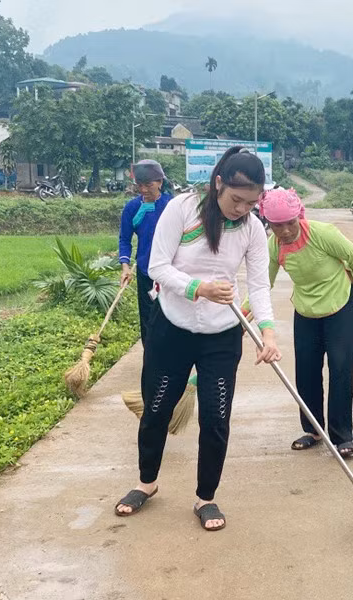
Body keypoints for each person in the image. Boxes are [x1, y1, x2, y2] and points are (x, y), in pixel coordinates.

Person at [114, 147, 281, 531]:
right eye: (237, 200)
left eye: (251, 203)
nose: (242, 209)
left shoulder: (253, 229)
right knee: (157, 408)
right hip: (172, 327)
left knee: (216, 418)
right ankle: (146, 482)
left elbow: (258, 285)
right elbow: (157, 266)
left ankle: (206, 497)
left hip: (221, 335)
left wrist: (268, 334)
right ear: (218, 183)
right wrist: (198, 288)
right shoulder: (183, 209)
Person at [255, 188, 353, 458]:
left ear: (299, 216)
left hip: (341, 302)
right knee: (306, 370)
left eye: (290, 223)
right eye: (277, 225)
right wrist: (245, 311)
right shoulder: (274, 245)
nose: (285, 230)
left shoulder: (323, 233)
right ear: (268, 223)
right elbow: (262, 284)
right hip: (306, 308)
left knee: (340, 367)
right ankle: (313, 430)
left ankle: (342, 436)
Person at [119, 159, 174, 343]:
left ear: (160, 182)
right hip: (146, 271)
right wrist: (125, 267)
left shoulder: (172, 206)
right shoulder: (132, 208)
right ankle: (150, 354)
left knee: (171, 319)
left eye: (148, 185)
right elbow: (124, 239)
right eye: (139, 185)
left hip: (172, 272)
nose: (143, 190)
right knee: (148, 319)